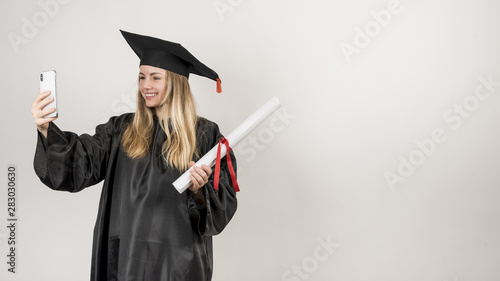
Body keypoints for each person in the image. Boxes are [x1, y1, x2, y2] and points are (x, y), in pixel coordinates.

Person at [31, 30, 239, 281]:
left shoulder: (206, 136)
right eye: (141, 77)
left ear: (175, 82)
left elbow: (220, 212)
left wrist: (200, 190)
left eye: (155, 77)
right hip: (124, 261)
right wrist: (46, 130)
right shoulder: (121, 130)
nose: (145, 85)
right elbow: (79, 163)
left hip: (177, 263)